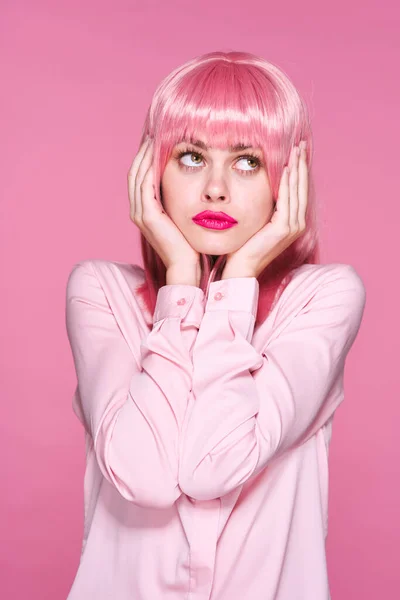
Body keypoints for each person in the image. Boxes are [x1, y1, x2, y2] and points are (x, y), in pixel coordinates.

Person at [65, 50, 366, 600]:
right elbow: (145, 475)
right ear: (151, 172)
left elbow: (213, 466)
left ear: (286, 178)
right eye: (190, 157)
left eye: (248, 161)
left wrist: (240, 276)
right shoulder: (102, 294)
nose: (216, 189)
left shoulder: (323, 300)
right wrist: (181, 283)